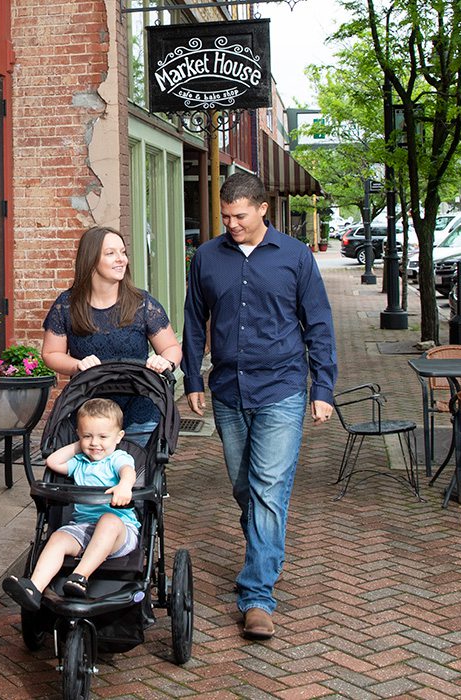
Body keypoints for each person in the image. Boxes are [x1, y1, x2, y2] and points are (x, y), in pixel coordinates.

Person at [181, 172, 337, 641]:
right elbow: (193, 318)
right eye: (225, 216)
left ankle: (257, 594)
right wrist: (192, 377)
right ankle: (266, 553)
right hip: (228, 390)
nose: (231, 224)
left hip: (282, 389)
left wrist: (322, 388)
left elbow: (319, 323)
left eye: (239, 216)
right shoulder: (208, 257)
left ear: (262, 209)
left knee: (268, 487)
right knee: (244, 488)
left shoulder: (294, 257)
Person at [42, 226, 182, 442]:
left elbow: (171, 348)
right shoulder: (67, 305)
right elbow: (51, 353)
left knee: (134, 473)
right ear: (91, 260)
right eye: (111, 253)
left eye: (123, 252)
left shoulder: (142, 304)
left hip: (139, 412)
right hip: (89, 415)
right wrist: (76, 365)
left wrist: (165, 362)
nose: (121, 259)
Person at [2, 398, 139, 609]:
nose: (95, 443)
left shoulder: (118, 458)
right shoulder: (79, 463)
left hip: (119, 532)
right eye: (88, 436)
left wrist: (125, 486)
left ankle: (79, 577)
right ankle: (34, 588)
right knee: (57, 538)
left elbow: (127, 471)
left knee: (108, 520)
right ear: (78, 435)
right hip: (83, 529)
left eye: (103, 437)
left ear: (119, 437)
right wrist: (80, 444)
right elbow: (52, 462)